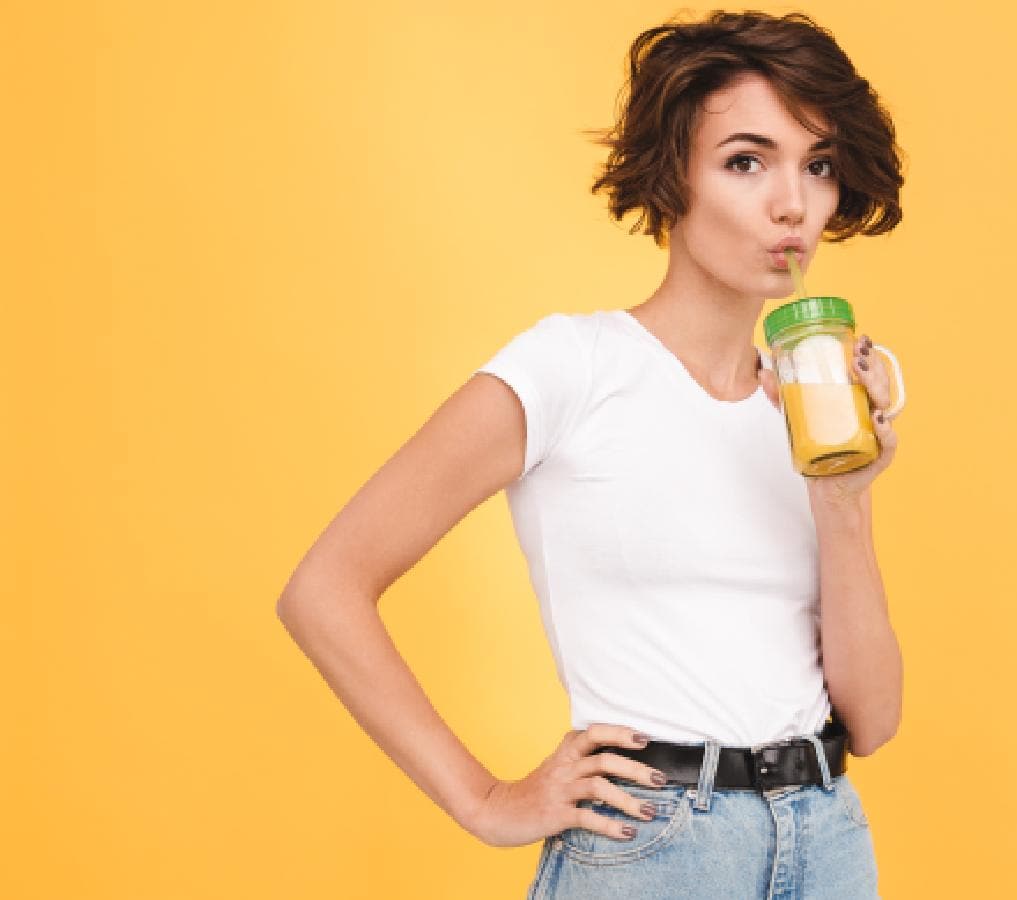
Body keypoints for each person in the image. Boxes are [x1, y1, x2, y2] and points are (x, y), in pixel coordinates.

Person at [275, 10, 906, 898]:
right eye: (746, 161)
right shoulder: (574, 368)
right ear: (673, 176)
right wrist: (485, 800)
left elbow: (873, 720)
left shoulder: (805, 411)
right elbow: (324, 588)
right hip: (659, 850)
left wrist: (843, 495)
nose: (792, 205)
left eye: (819, 165)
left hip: (829, 838)